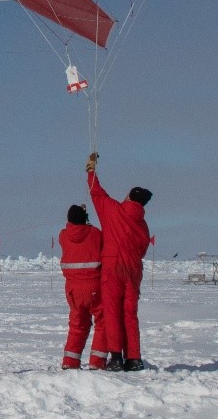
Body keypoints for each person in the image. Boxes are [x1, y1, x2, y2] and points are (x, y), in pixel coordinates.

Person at [86, 152, 151, 372]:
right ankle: (134, 358)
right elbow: (142, 249)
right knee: (130, 313)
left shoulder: (114, 211)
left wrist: (91, 169)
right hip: (133, 270)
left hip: (113, 268)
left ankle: (115, 357)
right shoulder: (142, 225)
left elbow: (96, 192)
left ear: (130, 197)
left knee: (112, 311)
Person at [59, 203, 108, 370]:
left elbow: (72, 232)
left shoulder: (63, 236)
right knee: (103, 323)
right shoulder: (95, 234)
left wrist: (80, 217)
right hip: (94, 288)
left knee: (77, 325)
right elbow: (97, 237)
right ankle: (97, 361)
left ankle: (69, 362)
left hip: (72, 292)